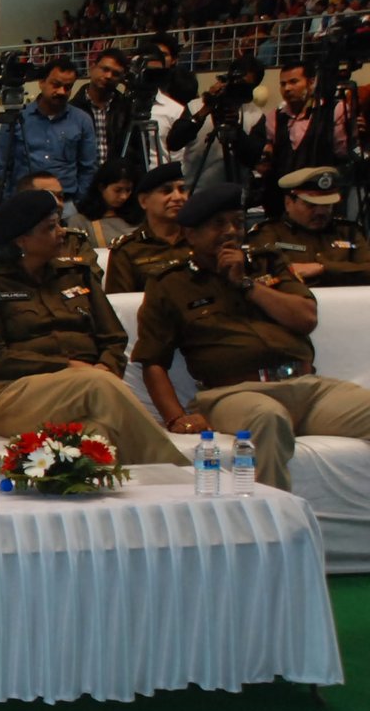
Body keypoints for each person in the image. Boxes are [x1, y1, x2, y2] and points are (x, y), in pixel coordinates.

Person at [134, 183, 370, 490]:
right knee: (268, 418)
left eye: (237, 222)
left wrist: (246, 284)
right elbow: (153, 360)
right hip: (235, 394)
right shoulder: (171, 283)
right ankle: (276, 525)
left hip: (306, 388)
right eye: (218, 224)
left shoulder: (267, 262)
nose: (231, 231)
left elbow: (305, 318)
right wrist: (177, 418)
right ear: (190, 234)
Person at [0, 189, 186, 467]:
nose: (62, 232)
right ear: (22, 240)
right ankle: (178, 472)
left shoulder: (77, 274)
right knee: (96, 385)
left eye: (59, 223)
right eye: (50, 227)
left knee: (98, 433)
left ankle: (116, 505)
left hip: (90, 387)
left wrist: (106, 366)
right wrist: (68, 367)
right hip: (14, 395)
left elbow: (114, 338)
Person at [0, 57, 97, 205]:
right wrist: (7, 201)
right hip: (23, 200)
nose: (61, 91)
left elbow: (88, 168)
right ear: (42, 82)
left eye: (68, 87)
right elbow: (3, 166)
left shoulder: (82, 120)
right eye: (56, 85)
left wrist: (78, 202)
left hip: (66, 202)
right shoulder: (16, 118)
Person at [247, 167, 370, 286]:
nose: (320, 212)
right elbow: (264, 277)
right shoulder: (270, 232)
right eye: (311, 205)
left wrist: (323, 269)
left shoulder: (348, 232)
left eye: (327, 205)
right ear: (288, 203)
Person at [260, 59, 351, 215]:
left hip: (322, 199)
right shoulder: (274, 116)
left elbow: (343, 153)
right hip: (283, 204)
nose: (287, 88)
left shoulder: (334, 110)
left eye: (294, 82)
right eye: (283, 84)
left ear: (311, 82)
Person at [167, 54, 266, 194]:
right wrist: (206, 109)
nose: (238, 90)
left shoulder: (255, 115)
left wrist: (236, 131)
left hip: (233, 197)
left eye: (245, 86)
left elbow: (252, 159)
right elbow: (174, 142)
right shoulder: (196, 106)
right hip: (196, 194)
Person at [104, 162, 190, 293]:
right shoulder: (128, 251)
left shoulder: (199, 240)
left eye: (182, 190)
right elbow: (121, 307)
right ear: (144, 201)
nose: (178, 197)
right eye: (166, 191)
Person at [70, 49, 130, 165]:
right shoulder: (73, 109)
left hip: (115, 179)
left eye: (115, 74)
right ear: (92, 68)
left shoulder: (126, 108)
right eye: (105, 69)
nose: (108, 76)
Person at [73, 158, 142, 246]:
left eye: (128, 190)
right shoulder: (81, 221)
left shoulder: (139, 218)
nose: (124, 196)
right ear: (101, 187)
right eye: (117, 190)